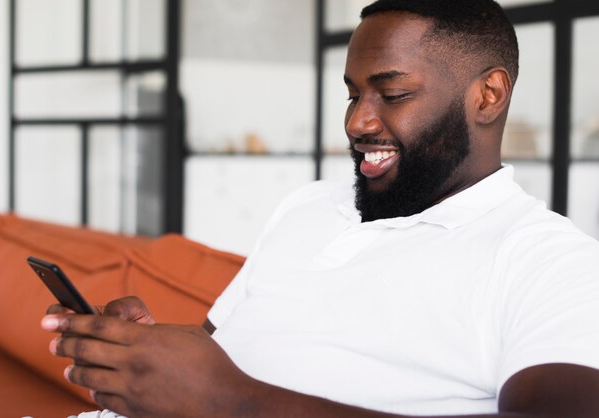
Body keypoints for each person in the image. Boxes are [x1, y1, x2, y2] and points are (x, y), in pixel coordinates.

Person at [41, 1, 599, 417]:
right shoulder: (308, 205)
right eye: (354, 93)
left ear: (488, 95)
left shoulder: (549, 262)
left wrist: (234, 404)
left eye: (393, 93)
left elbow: (227, 393)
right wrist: (145, 360)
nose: (358, 122)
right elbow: (220, 350)